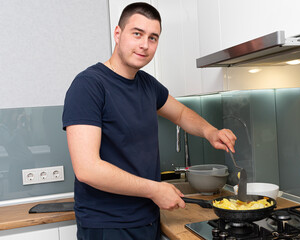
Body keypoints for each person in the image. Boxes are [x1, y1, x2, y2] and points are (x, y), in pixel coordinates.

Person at [62, 2, 236, 240]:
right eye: (137, 34)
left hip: (147, 219)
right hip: (108, 225)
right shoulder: (89, 85)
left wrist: (210, 131)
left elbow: (181, 114)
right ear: (117, 33)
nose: (145, 44)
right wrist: (155, 189)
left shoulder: (147, 84)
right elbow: (87, 169)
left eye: (153, 38)